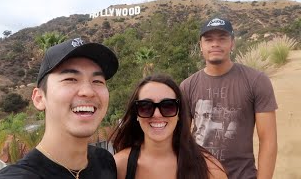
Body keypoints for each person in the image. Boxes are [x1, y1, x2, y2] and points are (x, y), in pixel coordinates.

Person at [0, 37, 119, 179]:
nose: (88, 91)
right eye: (70, 79)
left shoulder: (104, 161)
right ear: (39, 98)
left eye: (97, 81)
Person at [180, 17, 278, 179]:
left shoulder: (256, 81)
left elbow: (268, 140)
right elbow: (181, 138)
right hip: (199, 174)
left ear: (232, 43)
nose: (215, 44)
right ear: (201, 46)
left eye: (222, 38)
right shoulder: (187, 86)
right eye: (209, 39)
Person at [112, 74, 227, 179]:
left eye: (168, 106)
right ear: (136, 114)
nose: (157, 114)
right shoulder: (119, 166)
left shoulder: (210, 169)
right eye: (145, 107)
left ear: (179, 114)